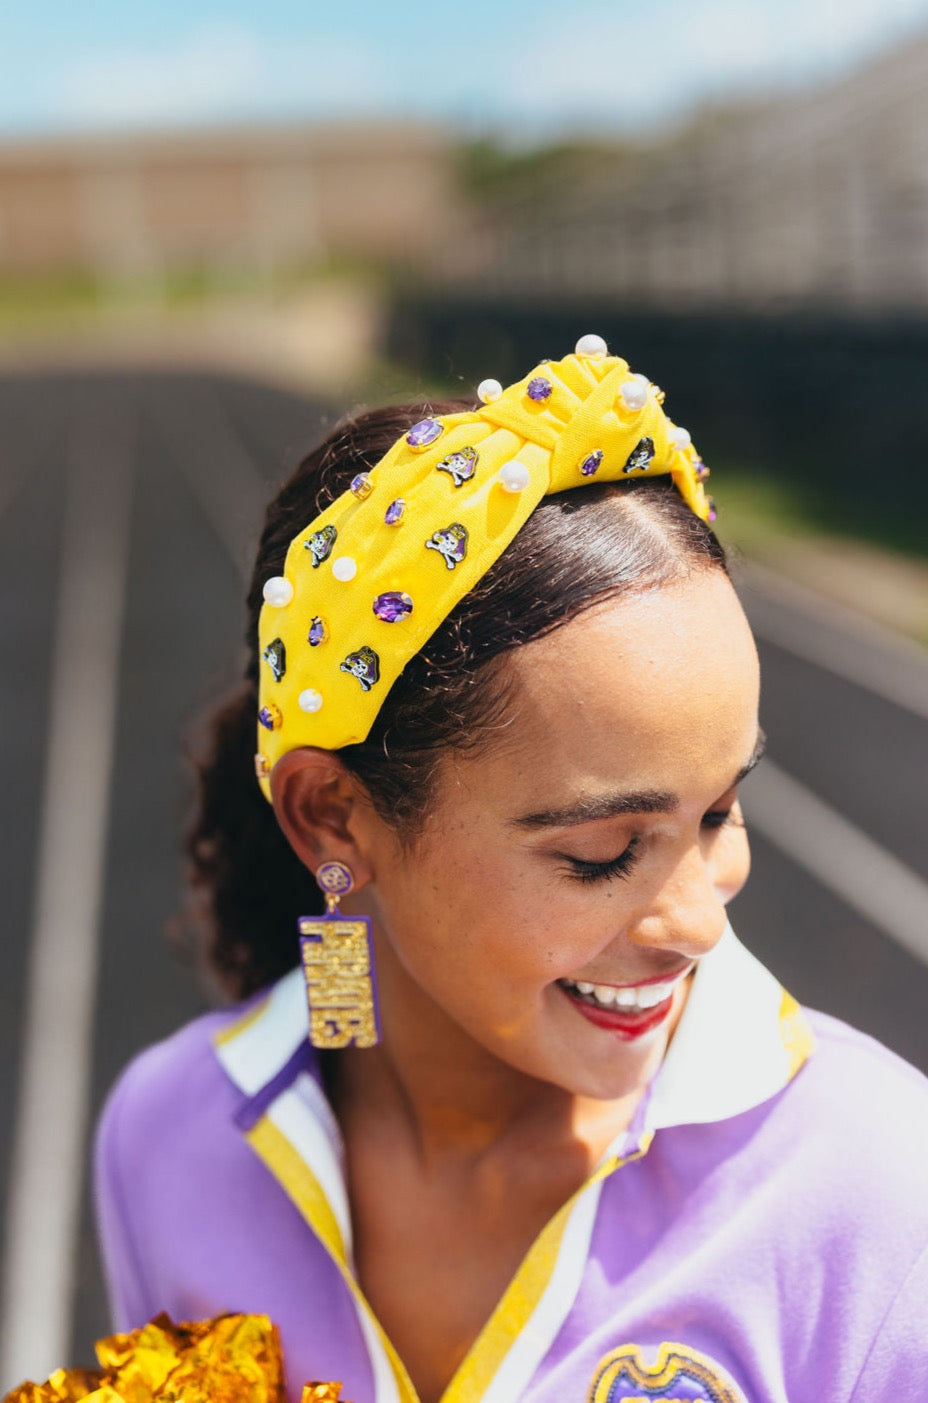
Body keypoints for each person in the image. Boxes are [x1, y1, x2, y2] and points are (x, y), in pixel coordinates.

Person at [94, 341, 928, 1403]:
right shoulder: (167, 1135)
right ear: (330, 816)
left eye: (717, 810)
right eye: (599, 853)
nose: (695, 922)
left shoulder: (881, 1197)